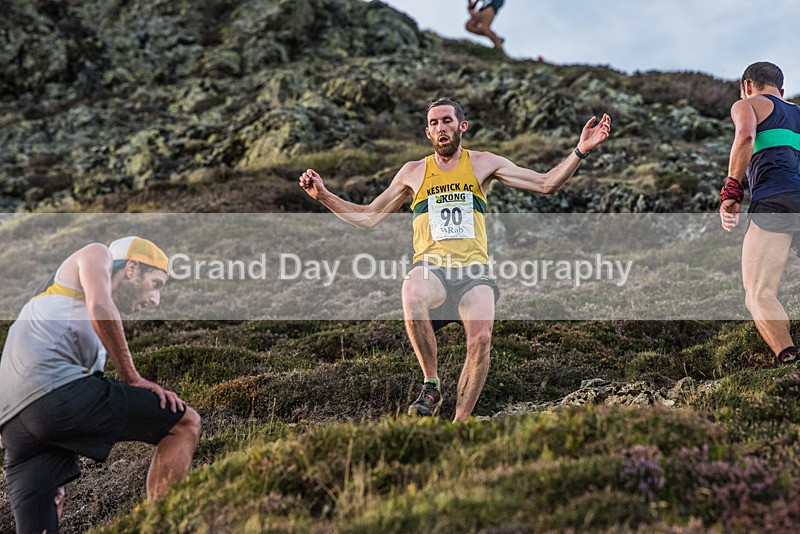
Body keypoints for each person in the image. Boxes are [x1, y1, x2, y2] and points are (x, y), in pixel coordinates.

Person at [299, 98, 611, 421]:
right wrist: (323, 195)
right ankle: (431, 384)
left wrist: (580, 151)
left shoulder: (483, 164)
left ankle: (459, 424)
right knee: (411, 291)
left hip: (474, 273)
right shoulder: (413, 172)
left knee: (481, 338)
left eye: (447, 121)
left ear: (462, 127)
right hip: (432, 269)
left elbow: (546, 183)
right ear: (427, 132)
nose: (440, 128)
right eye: (433, 123)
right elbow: (367, 217)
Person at [0, 236, 201, 533]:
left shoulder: (54, 306)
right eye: (156, 284)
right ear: (131, 268)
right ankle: (161, 526)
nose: (155, 301)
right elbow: (100, 304)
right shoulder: (97, 254)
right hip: (54, 398)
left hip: (14, 425)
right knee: (185, 423)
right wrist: (133, 378)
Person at [720, 62, 800, 365]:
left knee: (757, 292)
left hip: (775, 201)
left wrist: (731, 190)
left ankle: (789, 359)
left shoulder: (747, 104)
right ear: (781, 90)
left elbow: (745, 138)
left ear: (747, 85)